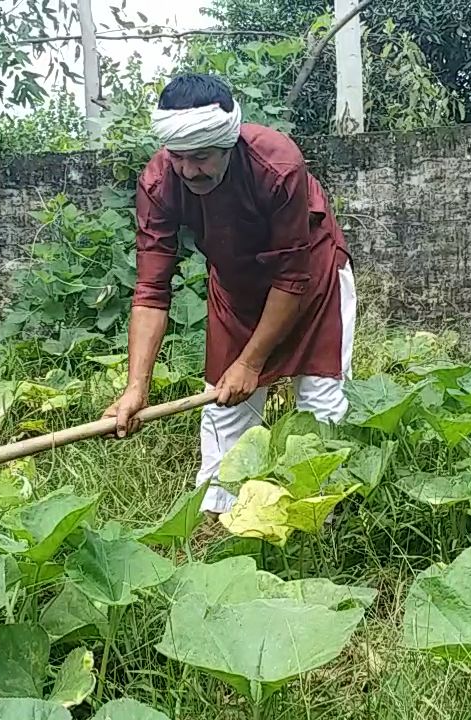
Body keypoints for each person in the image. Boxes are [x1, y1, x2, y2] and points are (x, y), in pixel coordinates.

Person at [102, 73, 356, 514]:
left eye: (200, 158)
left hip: (311, 283)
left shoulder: (277, 165)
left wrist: (251, 362)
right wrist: (135, 387)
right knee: (223, 406)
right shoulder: (160, 182)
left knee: (319, 401)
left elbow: (293, 277)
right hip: (236, 291)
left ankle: (320, 520)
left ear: (228, 142)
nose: (188, 170)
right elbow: (151, 290)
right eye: (179, 157)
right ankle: (216, 516)